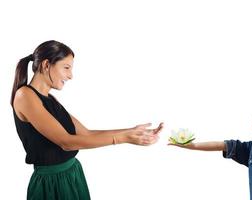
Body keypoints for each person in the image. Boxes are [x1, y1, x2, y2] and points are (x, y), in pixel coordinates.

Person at [11, 40, 164, 200]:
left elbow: (86, 133)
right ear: (46, 65)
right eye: (66, 68)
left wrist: (131, 131)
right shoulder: (25, 96)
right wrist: (123, 138)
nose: (70, 75)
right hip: (51, 183)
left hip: (72, 174)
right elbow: (67, 142)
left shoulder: (50, 100)